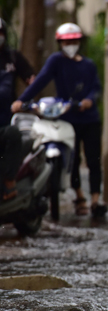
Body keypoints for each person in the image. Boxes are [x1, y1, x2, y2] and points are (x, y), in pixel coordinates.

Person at [12, 22, 107, 218]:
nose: (70, 45)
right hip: (68, 118)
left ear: (79, 41)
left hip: (89, 119)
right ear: (59, 43)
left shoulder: (88, 65)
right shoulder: (56, 61)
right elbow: (41, 81)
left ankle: (96, 199)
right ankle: (79, 196)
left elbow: (96, 87)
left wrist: (89, 100)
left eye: (73, 41)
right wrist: (22, 100)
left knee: (94, 159)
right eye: (66, 42)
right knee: (72, 159)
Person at [0, 17, 34, 201]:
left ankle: (9, 182)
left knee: (13, 134)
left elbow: (31, 79)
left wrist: (25, 100)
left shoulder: (12, 58)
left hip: (5, 122)